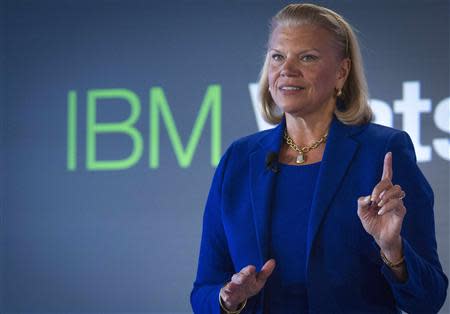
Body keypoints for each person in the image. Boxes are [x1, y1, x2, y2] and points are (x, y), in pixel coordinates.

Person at [191, 3, 448, 313]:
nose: (287, 69)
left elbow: (429, 299)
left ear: (341, 72)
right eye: (277, 56)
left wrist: (393, 250)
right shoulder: (239, 159)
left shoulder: (383, 151)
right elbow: (204, 290)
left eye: (307, 57)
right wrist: (227, 299)